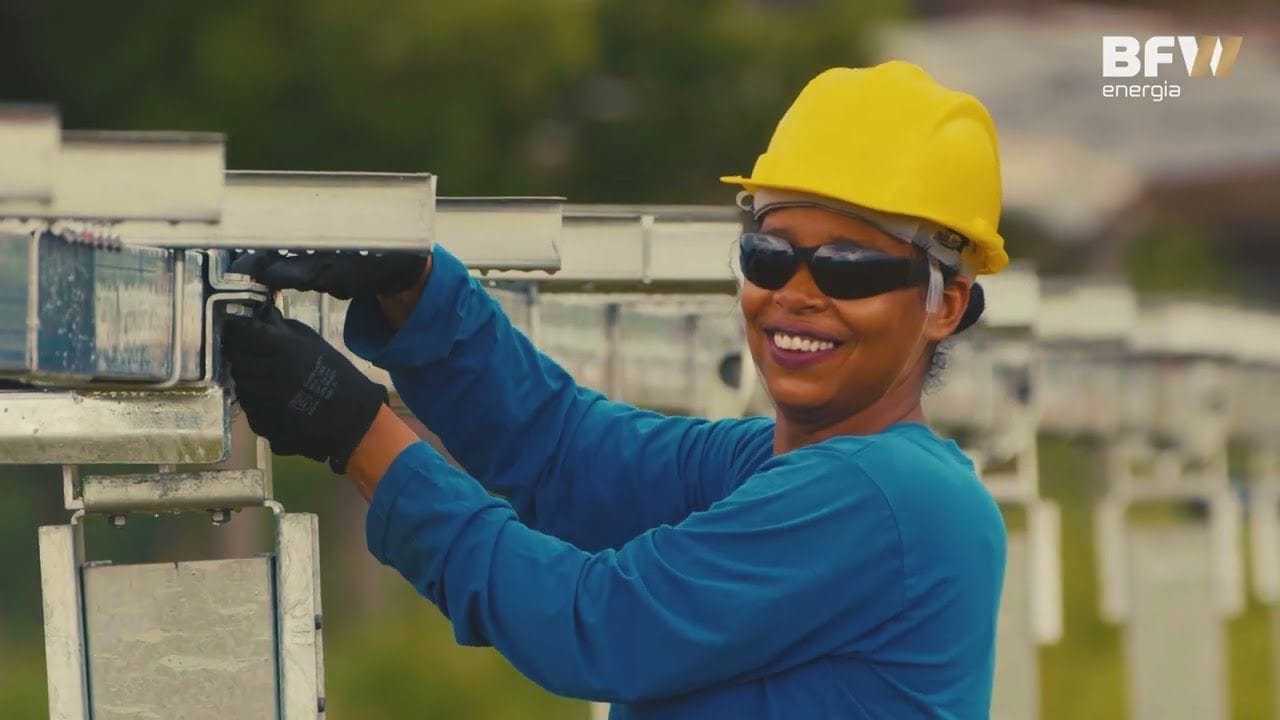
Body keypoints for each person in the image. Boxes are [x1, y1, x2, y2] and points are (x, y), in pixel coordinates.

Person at [223, 60, 1009, 719]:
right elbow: (570, 454)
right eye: (769, 255)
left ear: (944, 303)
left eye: (849, 268)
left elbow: (594, 625)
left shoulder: (883, 497)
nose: (796, 294)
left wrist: (362, 437)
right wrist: (418, 290)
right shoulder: (783, 466)